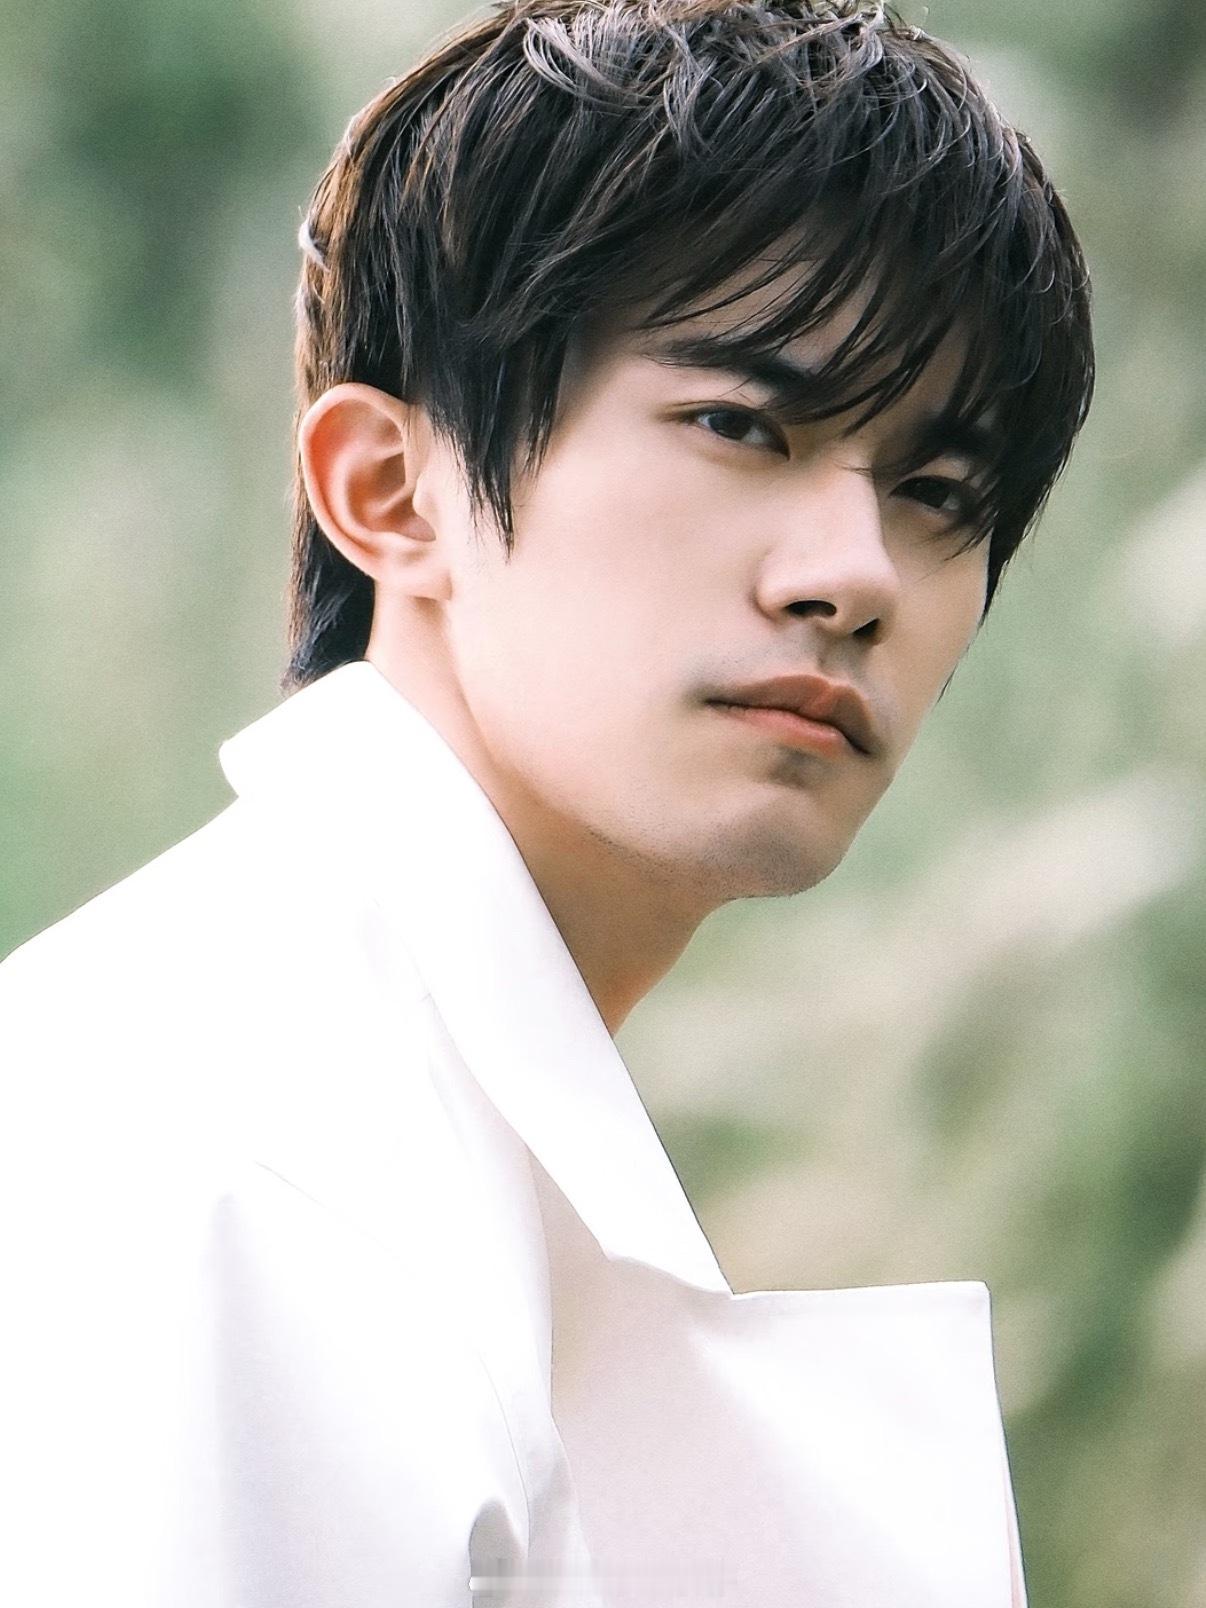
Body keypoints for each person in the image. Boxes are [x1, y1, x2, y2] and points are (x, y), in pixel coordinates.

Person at [0, 1, 1094, 1603]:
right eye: (739, 424)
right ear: (391, 492)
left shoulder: (377, 1102)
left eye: (938, 491)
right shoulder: (222, 1152)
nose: (855, 573)